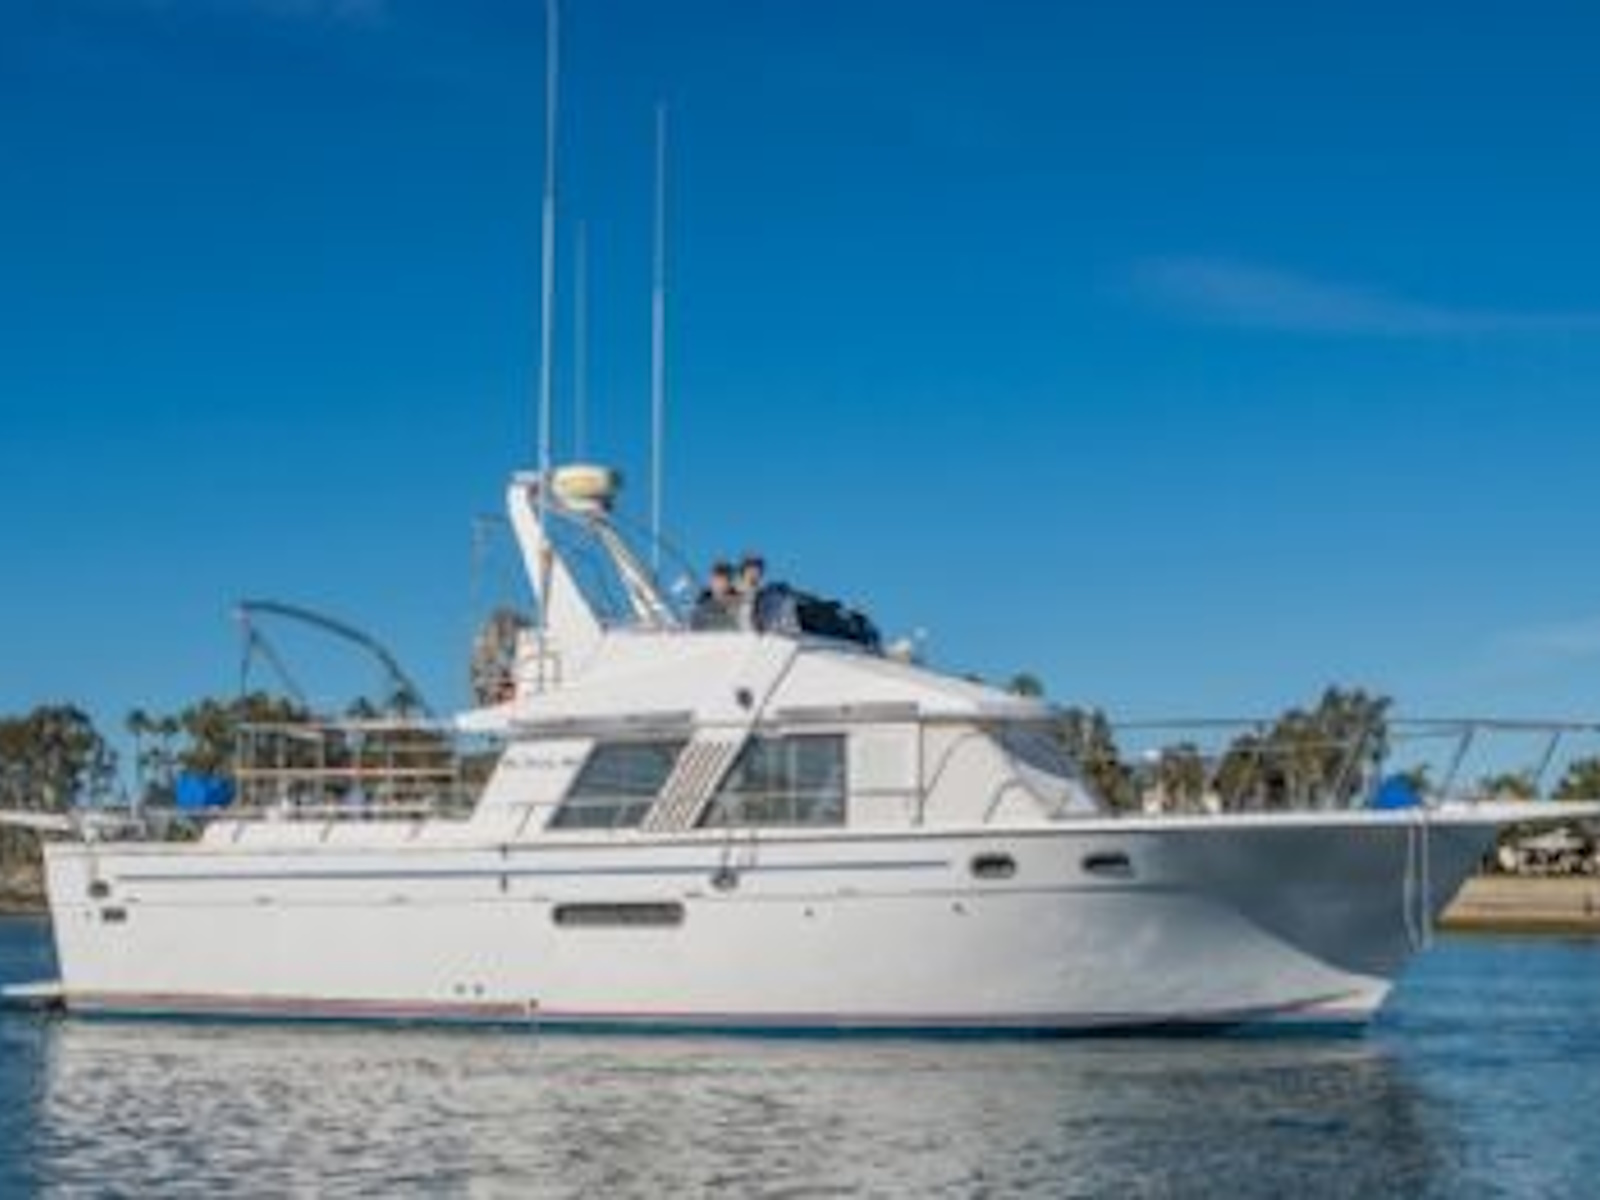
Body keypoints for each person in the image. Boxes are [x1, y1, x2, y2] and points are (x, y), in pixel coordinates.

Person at [690, 561, 738, 631]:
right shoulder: (701, 607)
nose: (720, 583)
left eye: (724, 579)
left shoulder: (738, 603)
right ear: (711, 580)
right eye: (717, 578)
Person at [736, 553, 767, 631]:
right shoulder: (734, 591)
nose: (754, 572)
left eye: (757, 568)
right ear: (743, 570)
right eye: (750, 568)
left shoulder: (764, 594)